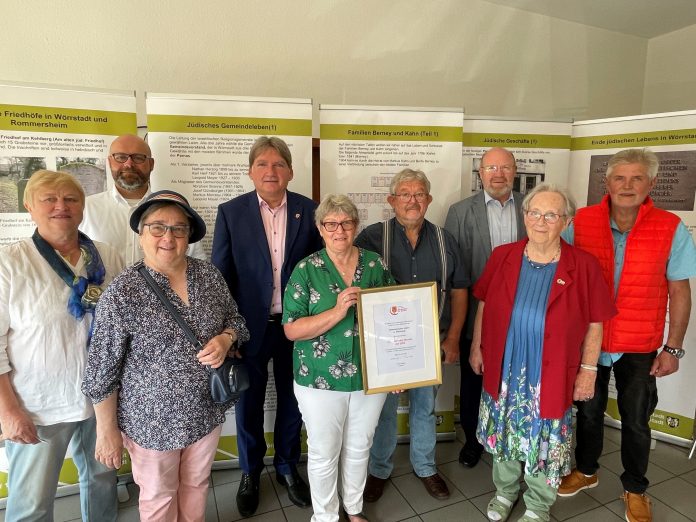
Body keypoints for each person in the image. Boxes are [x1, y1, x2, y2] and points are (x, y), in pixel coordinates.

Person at [82, 190, 249, 521]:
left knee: (197, 485)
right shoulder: (122, 293)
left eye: (178, 228)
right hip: (152, 424)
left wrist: (226, 338)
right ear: (141, 233)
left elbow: (237, 321)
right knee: (159, 498)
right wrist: (106, 431)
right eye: (158, 227)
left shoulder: (209, 276)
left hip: (207, 411)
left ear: (189, 235)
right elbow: (101, 372)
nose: (168, 237)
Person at [558, 148, 696, 522]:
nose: (627, 185)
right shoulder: (581, 222)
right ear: (607, 182)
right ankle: (586, 471)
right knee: (587, 412)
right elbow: (559, 275)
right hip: (589, 341)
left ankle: (635, 489)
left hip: (639, 345)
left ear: (652, 183)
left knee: (636, 420)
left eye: (637, 178)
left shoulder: (670, 227)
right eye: (619, 177)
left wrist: (673, 348)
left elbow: (680, 291)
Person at [470, 183, 616, 522]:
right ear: (525, 216)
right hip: (506, 368)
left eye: (551, 215)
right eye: (534, 213)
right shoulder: (503, 256)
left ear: (566, 221)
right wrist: (478, 347)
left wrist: (588, 370)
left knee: (544, 440)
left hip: (549, 372)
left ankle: (537, 504)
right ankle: (505, 492)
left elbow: (596, 323)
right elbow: (484, 304)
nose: (540, 221)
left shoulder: (583, 265)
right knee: (504, 431)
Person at [0, 170, 123, 520]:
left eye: (70, 199)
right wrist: (8, 411)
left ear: (82, 206)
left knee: (102, 485)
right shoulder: (10, 263)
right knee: (31, 504)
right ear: (29, 206)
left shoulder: (107, 256)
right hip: (39, 406)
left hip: (101, 402)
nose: (61, 206)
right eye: (49, 199)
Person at [211, 136, 321, 516]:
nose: (270, 171)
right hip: (248, 328)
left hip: (296, 327)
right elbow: (221, 277)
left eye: (278, 164)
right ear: (250, 171)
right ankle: (250, 472)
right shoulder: (231, 213)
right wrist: (227, 332)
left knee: (294, 400)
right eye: (262, 164)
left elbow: (319, 272)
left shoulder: (309, 210)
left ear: (290, 171)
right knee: (249, 404)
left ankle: (288, 466)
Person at [356, 168, 467, 502]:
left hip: (430, 343)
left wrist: (453, 338)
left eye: (419, 194)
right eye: (405, 194)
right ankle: (379, 469)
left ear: (429, 199)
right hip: (384, 348)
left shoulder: (446, 240)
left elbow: (459, 290)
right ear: (392, 200)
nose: (412, 201)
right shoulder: (371, 238)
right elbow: (354, 286)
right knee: (384, 410)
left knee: (425, 407)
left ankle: (425, 466)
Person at [283, 194, 394, 522]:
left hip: (369, 377)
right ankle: (326, 516)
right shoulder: (306, 269)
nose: (339, 230)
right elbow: (292, 329)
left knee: (360, 447)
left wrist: (397, 370)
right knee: (324, 452)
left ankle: (354, 509)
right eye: (331, 224)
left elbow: (394, 315)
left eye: (346, 223)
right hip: (319, 380)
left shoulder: (374, 264)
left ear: (356, 226)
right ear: (320, 228)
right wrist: (337, 311)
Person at [445, 147, 526, 468]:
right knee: (473, 380)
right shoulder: (459, 212)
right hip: (475, 313)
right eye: (491, 168)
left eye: (505, 167)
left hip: (522, 315)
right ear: (480, 173)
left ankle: (511, 437)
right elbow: (453, 271)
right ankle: (474, 440)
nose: (498, 174)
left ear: (515, 171)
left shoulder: (531, 208)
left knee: (517, 380)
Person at [80, 134, 205, 264]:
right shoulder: (86, 208)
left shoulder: (176, 210)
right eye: (121, 157)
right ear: (110, 162)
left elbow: (197, 264)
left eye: (138, 158)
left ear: (151, 164)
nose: (129, 164)